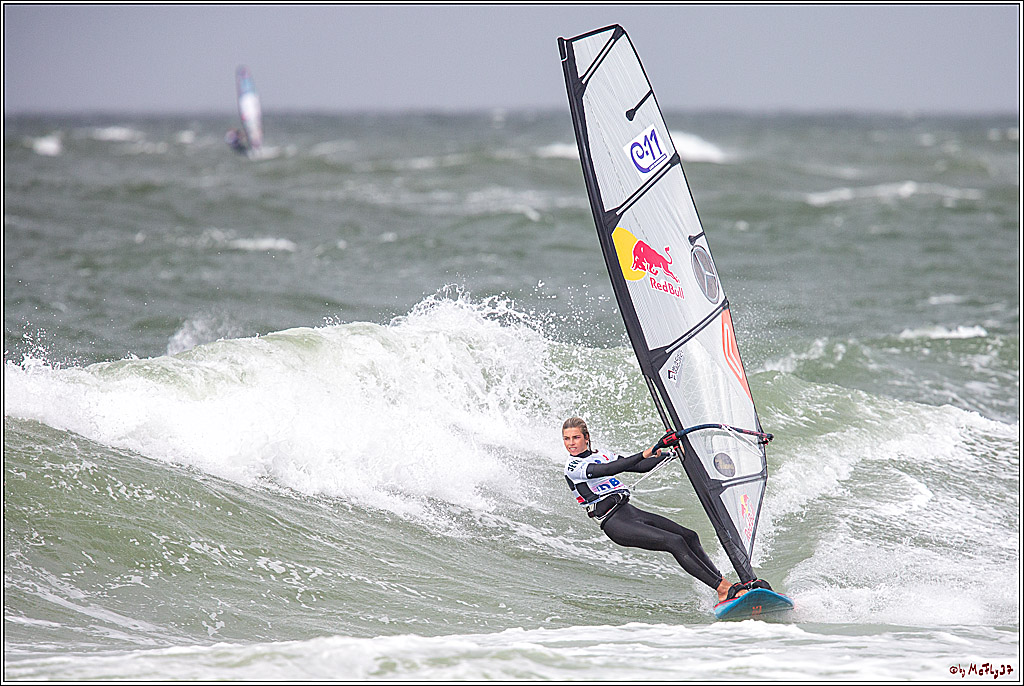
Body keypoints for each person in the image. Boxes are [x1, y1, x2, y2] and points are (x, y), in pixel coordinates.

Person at [562, 416, 767, 604]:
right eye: (567, 439)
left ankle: (724, 584)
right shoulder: (572, 467)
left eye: (575, 437)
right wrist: (648, 451)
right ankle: (723, 589)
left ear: (586, 438)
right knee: (674, 542)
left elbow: (638, 466)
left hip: (629, 512)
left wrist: (673, 453)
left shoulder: (601, 454)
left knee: (690, 536)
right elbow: (609, 469)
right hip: (615, 523)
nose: (571, 443)